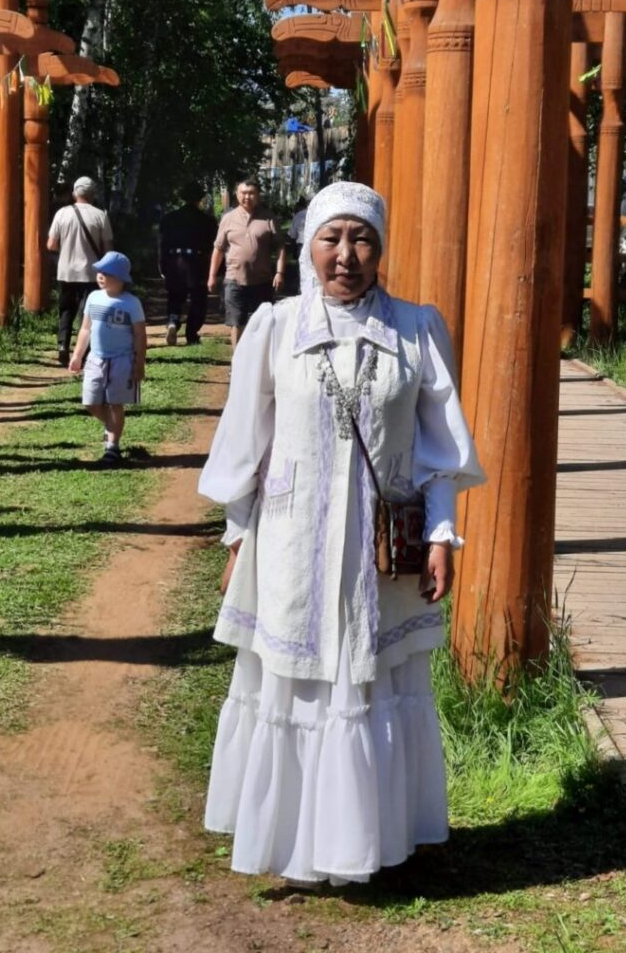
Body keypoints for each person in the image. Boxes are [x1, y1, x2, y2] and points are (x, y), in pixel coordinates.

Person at [198, 182, 486, 886]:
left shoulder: (416, 330)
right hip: (291, 543)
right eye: (332, 238)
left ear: (380, 249)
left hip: (379, 554)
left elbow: (439, 451)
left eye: (362, 240)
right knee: (295, 684)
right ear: (309, 247)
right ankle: (293, 847)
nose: (346, 256)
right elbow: (246, 441)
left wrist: (441, 535)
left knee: (370, 679)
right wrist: (238, 537)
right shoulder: (275, 327)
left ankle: (367, 843)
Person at [68, 251, 146, 466]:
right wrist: (77, 355)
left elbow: (140, 335)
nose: (100, 275)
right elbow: (86, 329)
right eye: (99, 271)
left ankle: (113, 446)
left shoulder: (131, 303)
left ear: (120, 278)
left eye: (107, 273)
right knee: (90, 402)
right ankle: (112, 427)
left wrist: (139, 364)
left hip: (122, 361)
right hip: (95, 359)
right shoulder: (93, 297)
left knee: (115, 404)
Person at [207, 179, 287, 350]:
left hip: (262, 280)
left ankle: (259, 359)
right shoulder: (228, 218)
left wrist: (280, 273)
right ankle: (237, 360)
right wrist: (212, 276)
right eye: (243, 193)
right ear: (237, 195)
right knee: (237, 322)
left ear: (258, 195)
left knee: (263, 322)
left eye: (251, 193)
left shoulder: (268, 218)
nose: (247, 197)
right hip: (234, 279)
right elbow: (218, 249)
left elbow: (280, 247)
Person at [48, 176, 113, 366]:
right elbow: (108, 249)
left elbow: (51, 244)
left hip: (66, 272)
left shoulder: (62, 214)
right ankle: (84, 351)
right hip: (92, 273)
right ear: (93, 195)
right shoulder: (100, 215)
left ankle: (63, 345)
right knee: (88, 312)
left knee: (66, 310)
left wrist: (66, 248)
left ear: (74, 193)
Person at [158, 182, 218, 346]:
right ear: (200, 199)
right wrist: (214, 270)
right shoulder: (208, 221)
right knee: (198, 299)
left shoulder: (169, 219)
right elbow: (214, 246)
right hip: (197, 263)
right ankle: (192, 333)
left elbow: (162, 244)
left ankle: (173, 321)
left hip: (174, 261)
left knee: (175, 296)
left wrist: (162, 264)